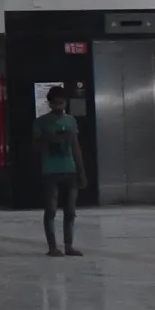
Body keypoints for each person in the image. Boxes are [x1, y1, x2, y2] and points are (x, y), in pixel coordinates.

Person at [34, 84, 87, 257]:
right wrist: (51, 140)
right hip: (50, 171)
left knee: (70, 210)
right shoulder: (40, 122)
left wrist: (81, 172)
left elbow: (76, 147)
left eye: (62, 103)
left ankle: (68, 245)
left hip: (69, 169)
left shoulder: (71, 121)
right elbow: (35, 147)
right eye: (55, 103)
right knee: (51, 209)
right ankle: (52, 246)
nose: (59, 107)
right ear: (49, 104)